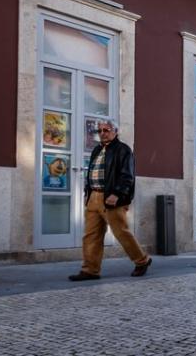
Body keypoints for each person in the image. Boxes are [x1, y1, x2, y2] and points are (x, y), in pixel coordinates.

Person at [68, 119, 152, 280]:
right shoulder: (97, 150)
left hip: (112, 198)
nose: (102, 133)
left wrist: (117, 194)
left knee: (121, 232)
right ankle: (90, 270)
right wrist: (88, 192)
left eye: (106, 130)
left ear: (115, 131)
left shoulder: (123, 150)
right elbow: (92, 172)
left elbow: (127, 176)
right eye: (100, 131)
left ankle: (142, 260)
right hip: (94, 196)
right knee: (91, 235)